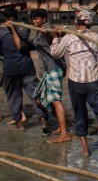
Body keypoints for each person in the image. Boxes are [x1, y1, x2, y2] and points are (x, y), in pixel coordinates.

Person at [51, 10, 98, 159]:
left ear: (75, 23)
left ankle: (85, 149)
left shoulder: (69, 38)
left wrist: (55, 37)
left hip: (76, 83)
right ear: (90, 24)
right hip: (94, 82)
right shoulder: (96, 37)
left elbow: (55, 54)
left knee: (80, 114)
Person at [0, 12, 46, 131]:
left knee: (14, 96)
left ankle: (18, 123)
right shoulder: (24, 29)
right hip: (26, 66)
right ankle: (43, 119)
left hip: (11, 67)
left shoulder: (0, 32)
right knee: (34, 94)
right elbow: (29, 44)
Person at [30, 9, 71, 144]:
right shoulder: (39, 30)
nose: (33, 21)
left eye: (36, 18)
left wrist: (50, 34)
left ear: (44, 19)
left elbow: (52, 37)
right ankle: (63, 122)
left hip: (55, 68)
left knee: (55, 100)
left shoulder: (47, 29)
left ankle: (65, 133)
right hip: (49, 70)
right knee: (38, 100)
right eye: (33, 19)